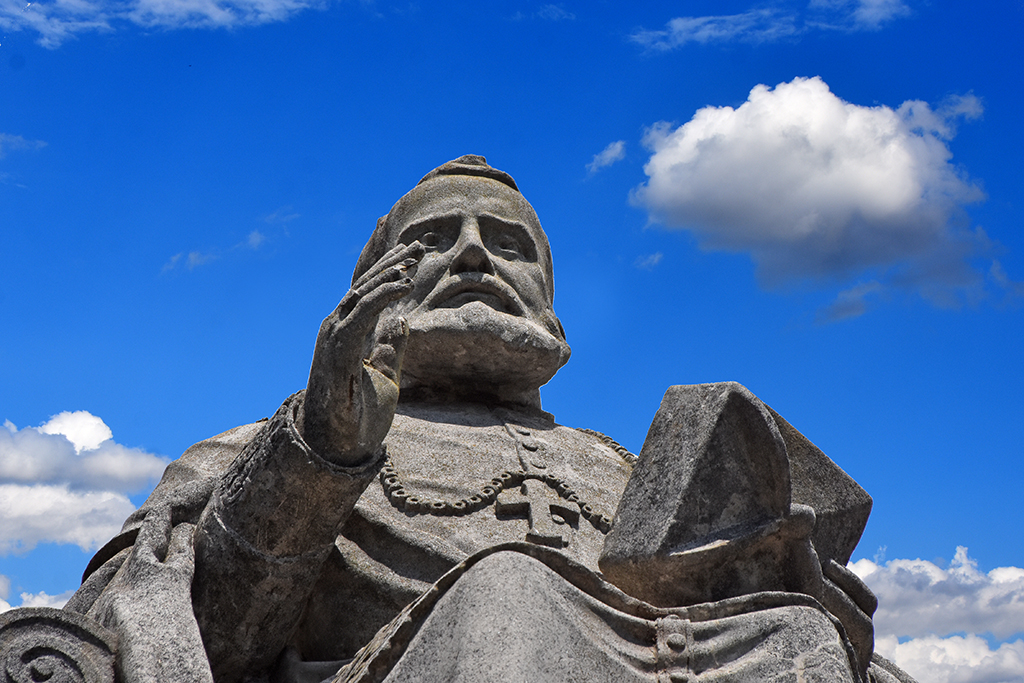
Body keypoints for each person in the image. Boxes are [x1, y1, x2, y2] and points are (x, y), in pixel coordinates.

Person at [52, 156, 915, 683]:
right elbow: (181, 636)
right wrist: (319, 452)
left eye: (509, 246)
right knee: (516, 586)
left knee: (789, 634)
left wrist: (798, 597)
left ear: (549, 300)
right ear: (366, 292)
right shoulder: (269, 444)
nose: (472, 252)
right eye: (433, 239)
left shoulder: (618, 464)